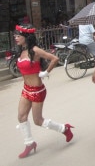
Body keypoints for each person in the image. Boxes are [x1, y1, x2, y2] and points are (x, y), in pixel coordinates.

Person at [14, 24, 74, 158]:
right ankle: (29, 143)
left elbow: (55, 58)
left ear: (25, 37)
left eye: (18, 36)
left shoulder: (35, 50)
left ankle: (64, 128)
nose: (15, 38)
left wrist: (46, 72)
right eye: (15, 36)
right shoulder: (21, 51)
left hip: (37, 90)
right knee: (21, 116)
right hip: (26, 89)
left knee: (38, 120)